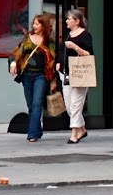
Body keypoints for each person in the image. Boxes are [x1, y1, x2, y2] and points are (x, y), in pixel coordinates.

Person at [11, 13, 58, 142]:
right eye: (34, 23)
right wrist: (13, 63)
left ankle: (32, 134)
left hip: (41, 76)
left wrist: (53, 80)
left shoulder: (49, 42)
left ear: (44, 26)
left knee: (37, 103)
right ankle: (37, 130)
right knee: (31, 105)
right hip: (27, 75)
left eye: (37, 24)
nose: (34, 26)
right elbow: (17, 52)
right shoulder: (28, 38)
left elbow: (53, 62)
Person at [62, 8, 95, 144]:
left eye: (69, 19)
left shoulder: (85, 35)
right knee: (70, 107)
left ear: (77, 21)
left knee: (76, 105)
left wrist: (75, 47)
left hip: (80, 73)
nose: (66, 21)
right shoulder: (69, 34)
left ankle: (74, 134)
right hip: (68, 73)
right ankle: (81, 129)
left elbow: (89, 54)